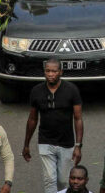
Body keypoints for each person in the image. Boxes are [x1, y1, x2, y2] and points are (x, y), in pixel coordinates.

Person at [23, 59, 84, 193]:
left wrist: (78, 145)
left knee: (63, 180)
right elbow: (32, 119)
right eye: (48, 71)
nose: (50, 74)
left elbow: (78, 118)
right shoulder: (36, 91)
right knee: (50, 179)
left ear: (60, 72)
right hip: (45, 141)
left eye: (54, 71)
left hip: (66, 143)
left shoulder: (72, 90)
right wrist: (26, 144)